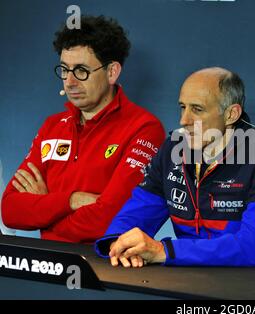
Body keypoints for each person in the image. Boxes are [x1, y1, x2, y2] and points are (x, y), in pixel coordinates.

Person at [95, 67, 255, 267]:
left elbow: (251, 249)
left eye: (197, 109)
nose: (184, 120)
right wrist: (119, 243)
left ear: (231, 114)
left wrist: (164, 251)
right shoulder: (173, 147)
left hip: (253, 283)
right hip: (188, 274)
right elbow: (138, 211)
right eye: (183, 107)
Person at [1, 15, 165, 243]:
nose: (69, 82)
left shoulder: (144, 128)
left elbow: (109, 220)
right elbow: (10, 210)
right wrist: (72, 200)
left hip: (106, 269)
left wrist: (45, 210)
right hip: (47, 266)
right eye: (64, 70)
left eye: (81, 71)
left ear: (112, 72)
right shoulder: (52, 126)